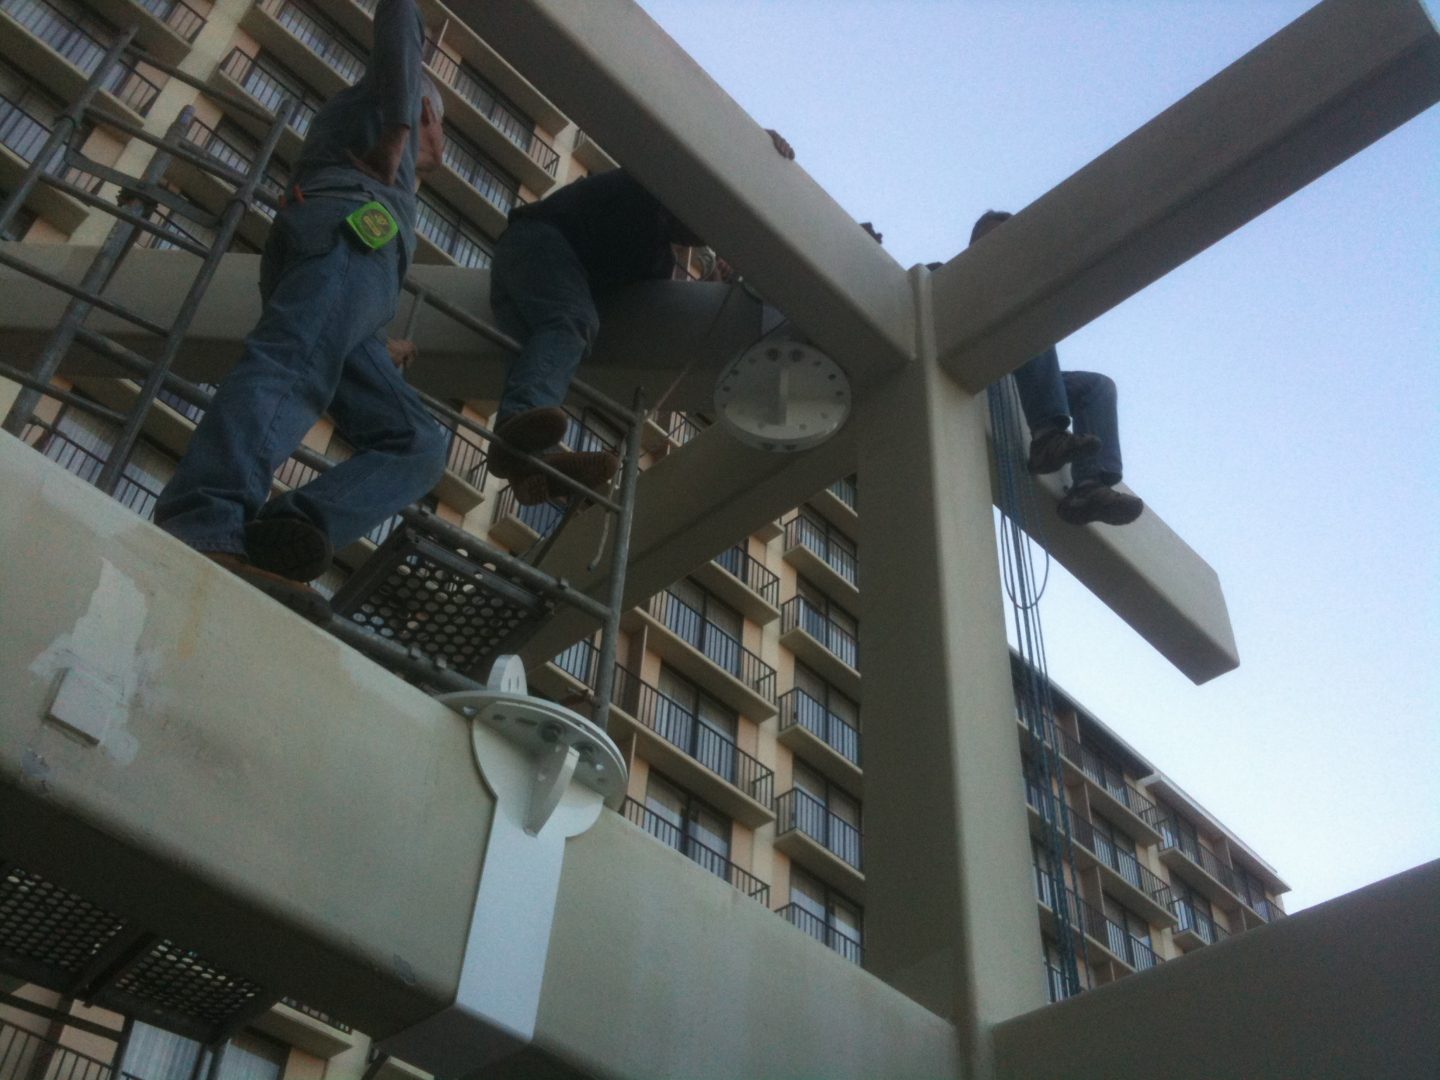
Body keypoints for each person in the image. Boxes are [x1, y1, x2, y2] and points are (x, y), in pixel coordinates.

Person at [154, 0, 448, 614]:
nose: (438, 152)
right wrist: (396, 130)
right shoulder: (383, 131)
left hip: (343, 257)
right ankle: (204, 517)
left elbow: (334, 284)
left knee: (417, 441)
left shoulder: (357, 152)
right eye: (436, 134)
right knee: (289, 367)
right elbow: (402, 14)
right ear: (424, 110)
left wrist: (373, 335)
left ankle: (282, 533)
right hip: (351, 232)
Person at [486, 130, 796, 504]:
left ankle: (527, 467)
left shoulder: (657, 260)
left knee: (546, 354)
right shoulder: (643, 189)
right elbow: (699, 139)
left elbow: (666, 309)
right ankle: (515, 430)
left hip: (529, 280)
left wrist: (716, 284)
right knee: (572, 323)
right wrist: (756, 147)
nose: (699, 233)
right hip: (534, 244)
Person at [968, 210, 1144, 527]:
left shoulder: (1018, 284)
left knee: (1097, 387)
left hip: (1017, 372)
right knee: (1029, 316)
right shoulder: (950, 278)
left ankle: (1089, 486)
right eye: (995, 237)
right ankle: (1048, 436)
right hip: (980, 363)